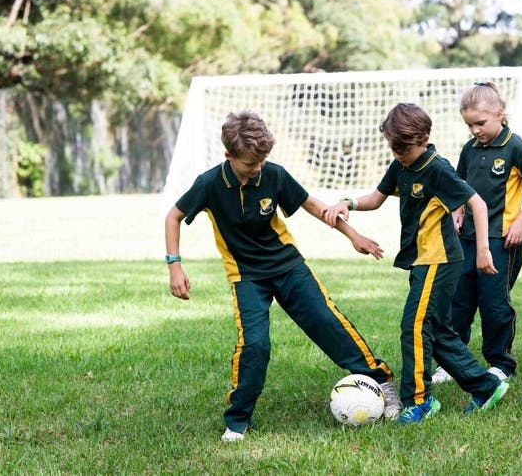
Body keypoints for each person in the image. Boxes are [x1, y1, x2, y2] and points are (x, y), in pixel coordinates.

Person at [164, 110, 402, 442]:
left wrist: (354, 235)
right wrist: (175, 264)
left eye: (261, 161)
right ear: (229, 156)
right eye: (250, 163)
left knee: (327, 321)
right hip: (246, 276)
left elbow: (314, 205)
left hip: (288, 267)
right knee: (255, 345)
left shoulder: (273, 174)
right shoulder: (209, 184)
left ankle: (382, 381)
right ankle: (238, 420)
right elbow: (174, 216)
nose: (257, 168)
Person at [323, 103, 509, 424]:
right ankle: (485, 385)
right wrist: (348, 202)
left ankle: (419, 402)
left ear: (423, 139)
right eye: (393, 147)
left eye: (403, 148)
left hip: (440, 259)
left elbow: (476, 202)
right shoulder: (402, 165)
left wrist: (483, 249)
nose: (397, 154)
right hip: (421, 261)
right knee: (437, 332)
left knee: (414, 326)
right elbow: (377, 197)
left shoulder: (438, 169)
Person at [432, 81, 522, 384]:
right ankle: (452, 362)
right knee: (459, 301)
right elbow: (459, 188)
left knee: (494, 303)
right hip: (465, 240)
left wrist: (521, 222)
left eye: (480, 123)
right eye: (469, 124)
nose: (474, 130)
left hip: (501, 240)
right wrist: (457, 212)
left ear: (500, 113)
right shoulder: (469, 150)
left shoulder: (516, 147)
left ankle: (500, 363)